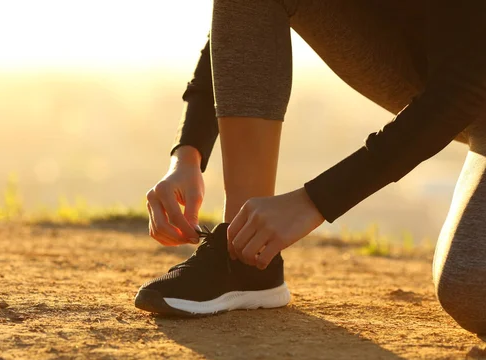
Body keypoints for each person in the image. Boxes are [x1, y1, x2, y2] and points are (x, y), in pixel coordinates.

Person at [134, 0, 486, 334]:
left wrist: (314, 201)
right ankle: (244, 257)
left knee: (472, 286)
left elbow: (466, 82)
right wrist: (187, 153)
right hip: (439, 72)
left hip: (468, 81)